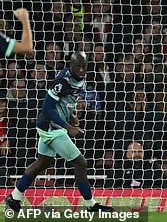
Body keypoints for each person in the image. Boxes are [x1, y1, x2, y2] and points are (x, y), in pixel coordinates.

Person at [4, 52, 113, 213]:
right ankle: (91, 205)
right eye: (77, 66)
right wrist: (69, 127)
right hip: (51, 127)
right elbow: (47, 108)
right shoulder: (61, 81)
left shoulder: (81, 79)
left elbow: (66, 103)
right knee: (80, 163)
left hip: (52, 126)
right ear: (71, 65)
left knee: (44, 162)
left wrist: (72, 116)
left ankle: (14, 197)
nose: (81, 70)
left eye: (84, 66)